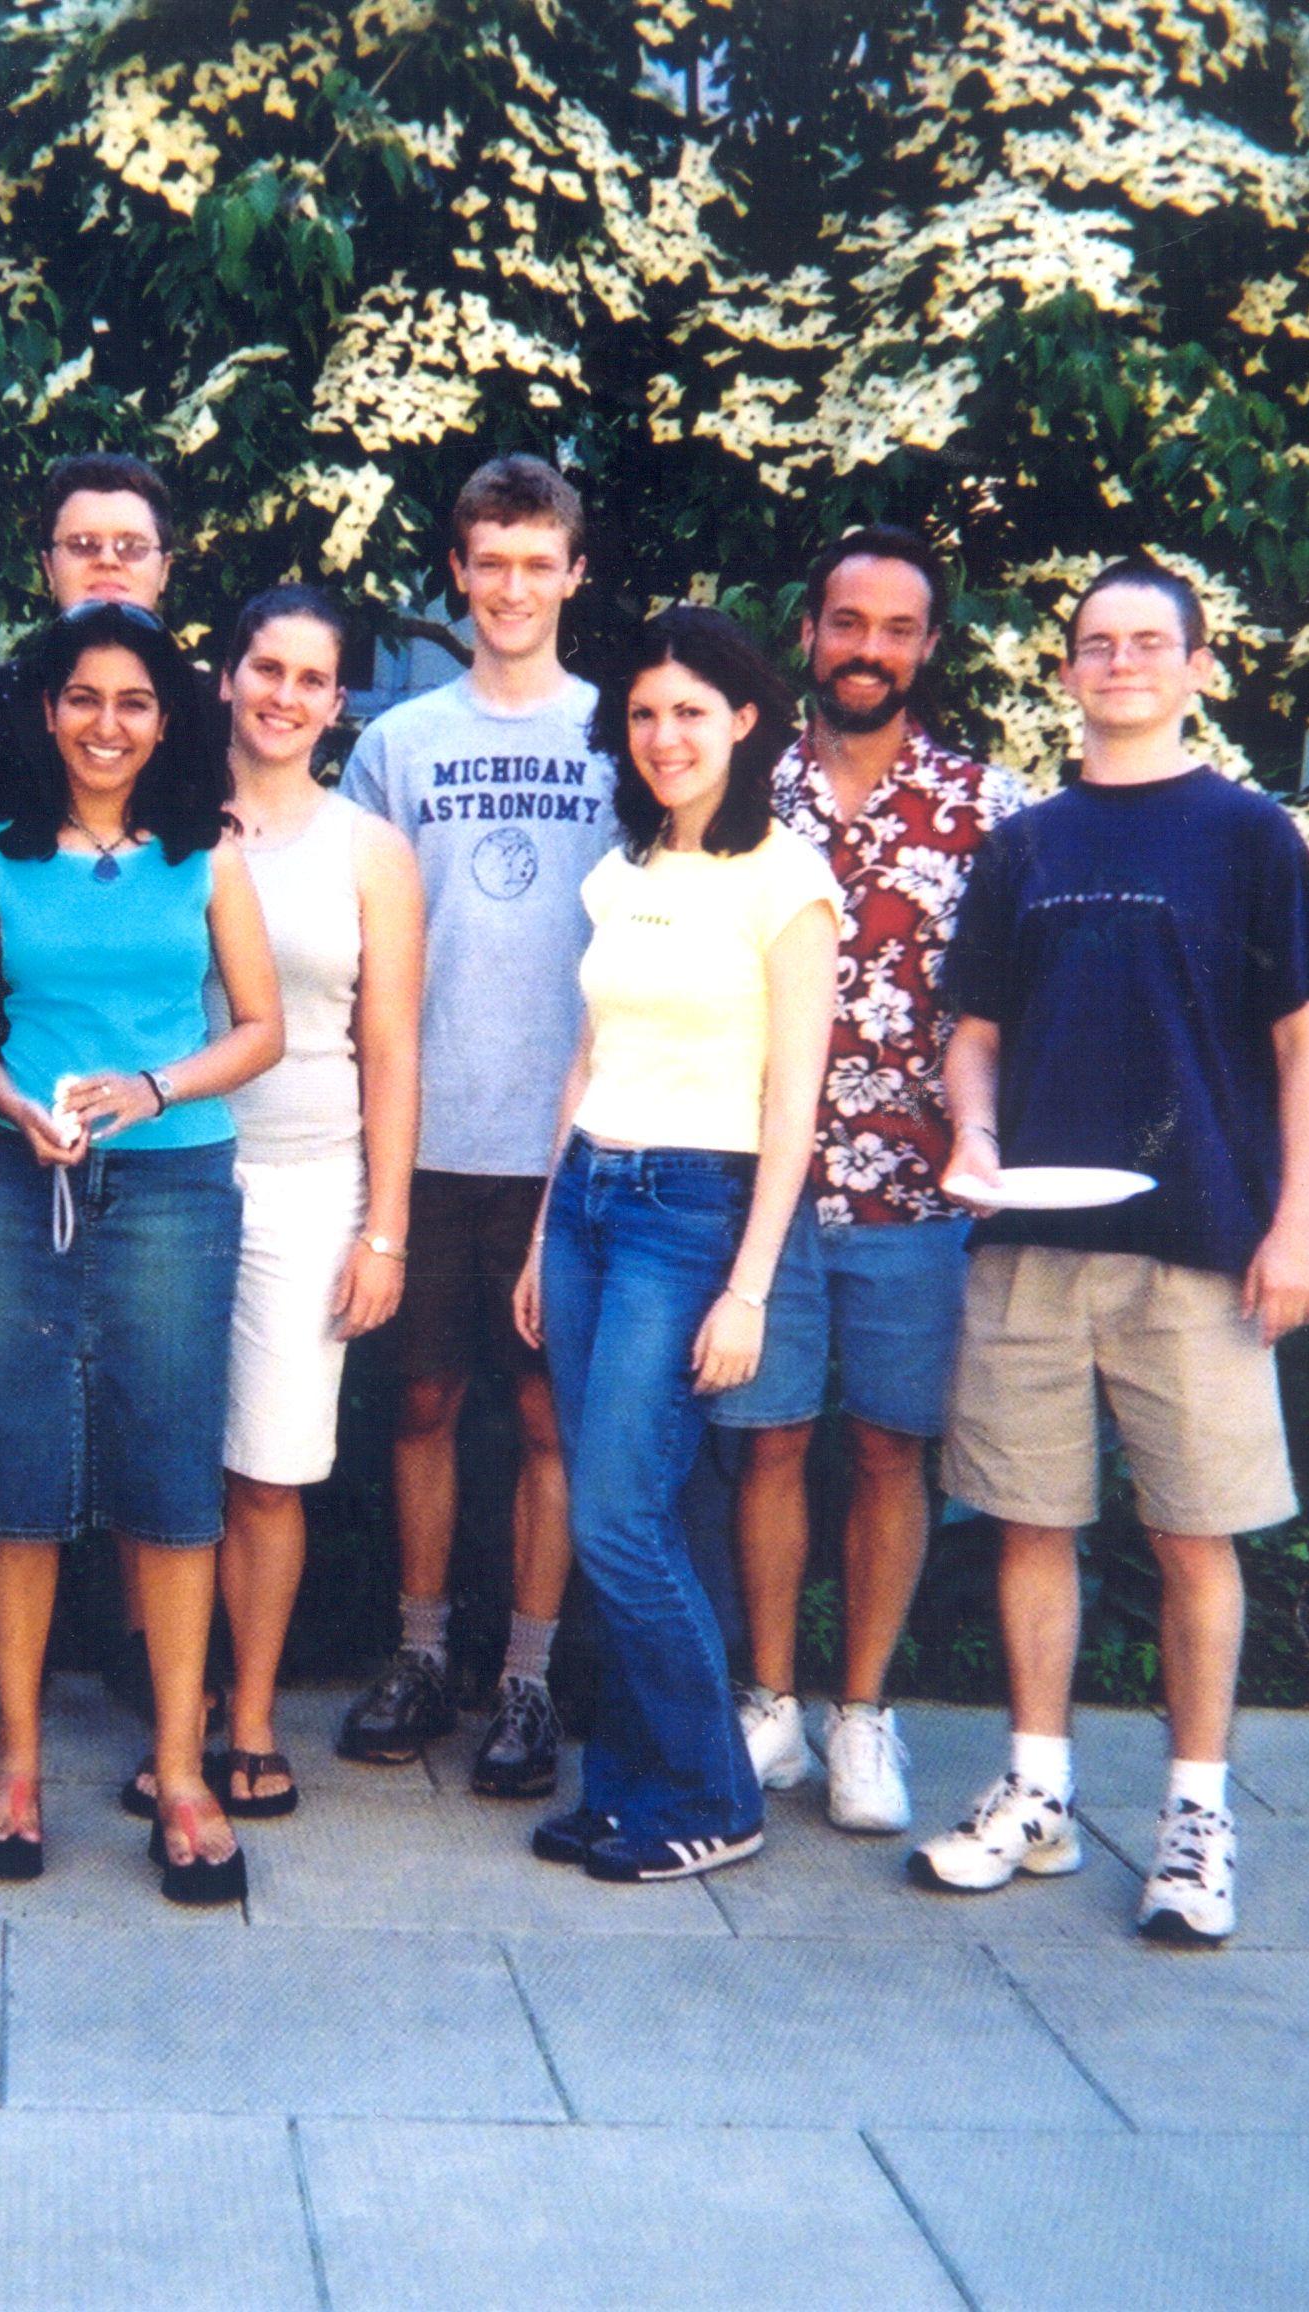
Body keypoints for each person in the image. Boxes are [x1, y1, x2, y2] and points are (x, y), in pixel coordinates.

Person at [913, 558, 1309, 1944]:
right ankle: (1036, 1791)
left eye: (1149, 642)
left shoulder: (1250, 836)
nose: (1121, 663)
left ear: (1199, 667)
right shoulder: (1027, 845)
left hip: (1200, 1246)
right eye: (1097, 643)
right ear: (1066, 673)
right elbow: (974, 1034)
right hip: (1033, 1241)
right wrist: (975, 1139)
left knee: (1193, 1536)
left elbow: (1304, 1043)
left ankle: (1196, 1824)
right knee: (1030, 1521)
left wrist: (1294, 1224)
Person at [0, 601, 285, 1904]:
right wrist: (16, 1106)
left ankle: (183, 1771)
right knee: (22, 1463)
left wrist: (152, 1088)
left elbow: (259, 1029)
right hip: (23, 1182)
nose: (107, 724)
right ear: (49, 711)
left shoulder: (208, 857)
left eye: (134, 701)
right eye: (83, 698)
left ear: (166, 717)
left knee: (172, 1469)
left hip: (175, 1183)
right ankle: (18, 1763)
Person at [708, 526, 1031, 1834]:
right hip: (763, 1190)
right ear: (808, 633)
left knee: (894, 1448)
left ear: (929, 647)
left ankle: (864, 1714)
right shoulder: (743, 791)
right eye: (849, 623)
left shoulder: (987, 809)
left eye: (899, 630)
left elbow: (1005, 1005)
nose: (869, 650)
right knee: (769, 1441)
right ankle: (770, 1704)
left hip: (914, 1191)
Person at [511, 604, 840, 1883]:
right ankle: (629, 1789)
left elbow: (793, 1102)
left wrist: (749, 1286)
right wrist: (544, 1229)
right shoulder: (626, 870)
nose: (665, 736)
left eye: (691, 712)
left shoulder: (788, 883)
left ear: (746, 720)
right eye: (645, 714)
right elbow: (589, 1057)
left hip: (693, 1210)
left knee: (616, 1516)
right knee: (629, 1508)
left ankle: (714, 1794)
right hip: (591, 1198)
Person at [334, 453, 619, 1798]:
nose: (512, 587)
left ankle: (528, 1676)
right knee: (424, 1398)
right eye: (488, 562)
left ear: (574, 572)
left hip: (571, 1138)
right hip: (430, 1132)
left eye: (536, 563)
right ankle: (420, 1651)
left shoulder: (621, 730)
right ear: (456, 571)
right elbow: (356, 939)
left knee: (550, 1416)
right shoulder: (399, 743)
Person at [0, 451, 182, 1727]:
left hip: (167, 1108)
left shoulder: (201, 710)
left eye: (130, 544)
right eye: (82, 543)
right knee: (13, 1369)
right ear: (47, 562)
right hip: (6, 1089)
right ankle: (0, 1622)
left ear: (166, 565)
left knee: (148, 1379)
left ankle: (133, 1630)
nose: (106, 564)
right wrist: (23, 941)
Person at [178, 586, 423, 1820]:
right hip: (168, 1173)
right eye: (265, 668)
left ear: (339, 704)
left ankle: (254, 1712)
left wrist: (385, 1229)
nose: (284, 696)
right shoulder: (160, 821)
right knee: (171, 1463)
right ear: (226, 676)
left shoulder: (369, 849)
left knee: (270, 1468)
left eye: (311, 679)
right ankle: (177, 1716)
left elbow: (393, 1049)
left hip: (311, 1180)